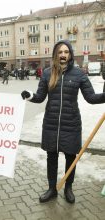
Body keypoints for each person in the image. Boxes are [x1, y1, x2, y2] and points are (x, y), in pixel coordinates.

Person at [21, 40, 105, 204]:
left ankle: (68, 188)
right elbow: (40, 97)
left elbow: (91, 97)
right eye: (60, 52)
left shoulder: (79, 74)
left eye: (66, 52)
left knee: (70, 158)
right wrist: (29, 95)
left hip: (71, 123)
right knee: (51, 157)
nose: (63, 55)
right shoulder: (47, 73)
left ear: (70, 54)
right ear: (55, 55)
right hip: (51, 123)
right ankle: (52, 189)